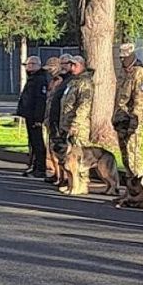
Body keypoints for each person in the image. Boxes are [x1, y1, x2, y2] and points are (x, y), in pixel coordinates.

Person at [112, 43, 143, 184]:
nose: (122, 61)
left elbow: (140, 101)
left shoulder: (140, 73)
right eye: (121, 58)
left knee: (133, 156)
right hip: (121, 120)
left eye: (125, 58)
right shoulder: (124, 72)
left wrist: (134, 123)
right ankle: (130, 188)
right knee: (125, 156)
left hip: (132, 121)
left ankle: (138, 188)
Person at [58, 55, 94, 195]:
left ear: (81, 65)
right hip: (67, 124)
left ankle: (82, 184)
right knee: (70, 157)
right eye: (70, 65)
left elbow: (84, 106)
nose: (71, 67)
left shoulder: (85, 82)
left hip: (78, 126)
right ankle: (72, 183)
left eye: (74, 65)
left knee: (80, 156)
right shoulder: (74, 82)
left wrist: (76, 123)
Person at [15, 55, 49, 177]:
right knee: (33, 143)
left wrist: (38, 118)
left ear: (37, 65)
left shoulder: (40, 79)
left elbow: (40, 100)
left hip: (35, 117)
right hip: (29, 115)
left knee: (38, 143)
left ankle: (40, 169)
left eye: (30, 64)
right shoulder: (32, 78)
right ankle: (34, 166)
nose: (28, 67)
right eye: (27, 65)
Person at [44, 55, 72, 183]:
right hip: (50, 117)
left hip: (58, 118)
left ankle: (63, 176)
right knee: (51, 147)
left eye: (51, 68)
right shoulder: (53, 81)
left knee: (58, 149)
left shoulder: (62, 81)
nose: (49, 71)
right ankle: (56, 174)